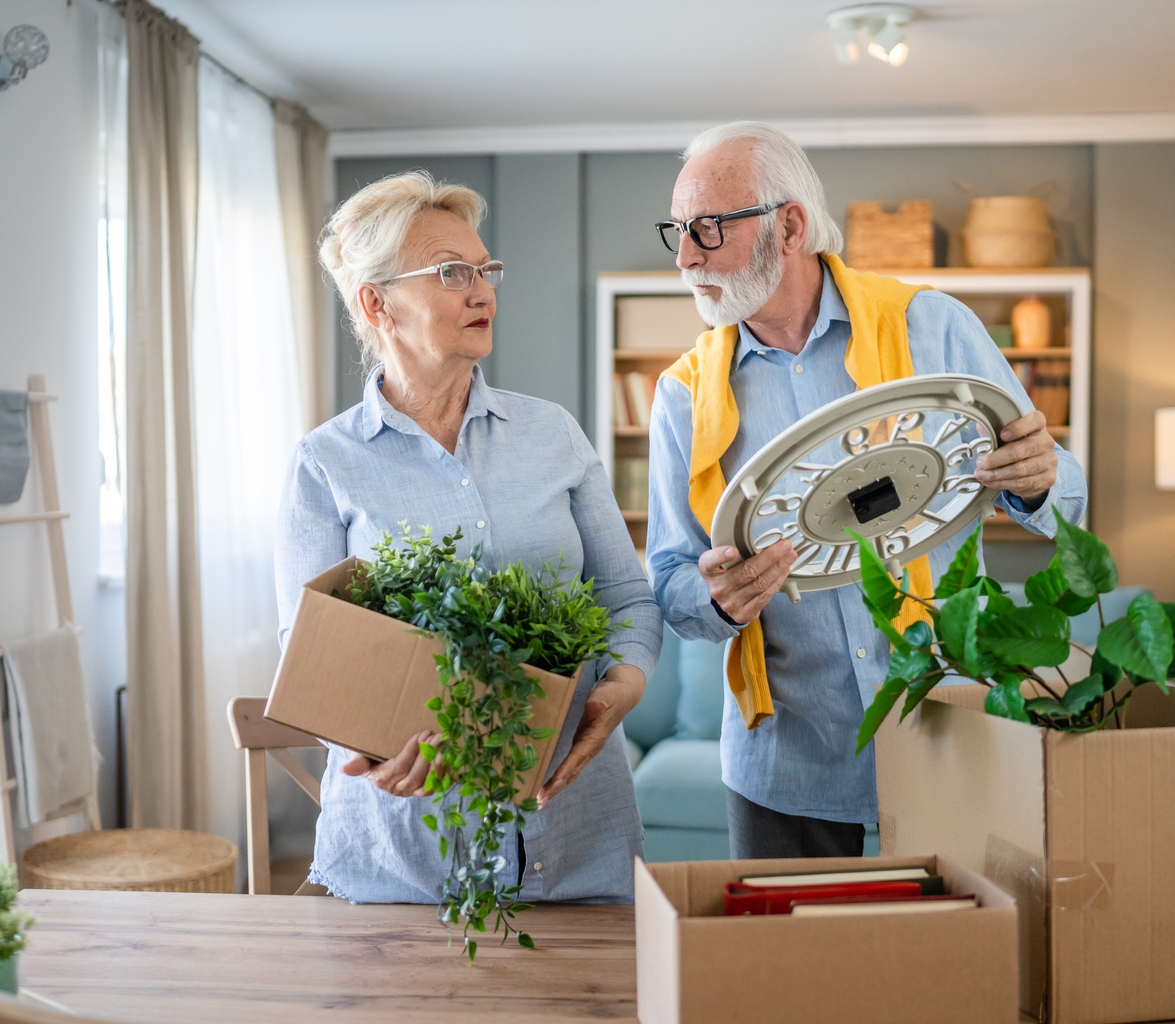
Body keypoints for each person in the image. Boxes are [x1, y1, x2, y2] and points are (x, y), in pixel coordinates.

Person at [646, 122, 1087, 860]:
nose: (687, 257)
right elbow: (668, 578)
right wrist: (716, 598)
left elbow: (1060, 501)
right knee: (796, 974)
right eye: (679, 232)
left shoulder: (933, 327)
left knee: (959, 967)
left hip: (952, 728)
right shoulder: (682, 397)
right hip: (783, 764)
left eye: (709, 229)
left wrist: (1040, 480)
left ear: (789, 225)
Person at [277, 170, 663, 903]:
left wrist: (623, 684)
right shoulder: (325, 464)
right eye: (453, 273)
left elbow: (625, 596)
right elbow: (308, 652)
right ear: (376, 303)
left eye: (487, 270)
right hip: (405, 862)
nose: (483, 291)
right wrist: (368, 743)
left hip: (578, 836)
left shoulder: (552, 434)